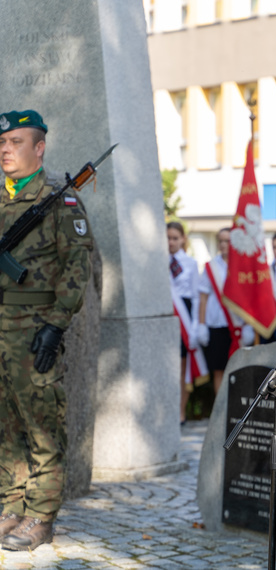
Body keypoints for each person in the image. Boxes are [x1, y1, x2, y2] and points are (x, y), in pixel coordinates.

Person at [0, 110, 93, 550]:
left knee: (41, 424)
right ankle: (11, 505)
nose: (5, 149)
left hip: (34, 327)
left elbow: (77, 270)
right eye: (2, 142)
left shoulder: (60, 200)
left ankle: (41, 515)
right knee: (5, 424)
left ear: (39, 148)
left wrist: (55, 326)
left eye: (16, 141)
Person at [196, 228, 253, 395]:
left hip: (239, 326)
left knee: (239, 369)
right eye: (220, 241)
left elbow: (250, 298)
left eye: (227, 241)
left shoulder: (244, 266)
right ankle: (220, 413)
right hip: (216, 324)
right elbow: (203, 298)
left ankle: (238, 412)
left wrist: (249, 325)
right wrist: (201, 325)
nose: (223, 244)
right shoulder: (210, 267)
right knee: (219, 369)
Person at [167, 221, 200, 423]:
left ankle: (180, 413)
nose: (170, 242)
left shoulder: (191, 263)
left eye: (174, 238)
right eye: (167, 238)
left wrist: (196, 325)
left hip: (185, 316)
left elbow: (196, 296)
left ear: (183, 239)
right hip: (165, 313)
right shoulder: (157, 261)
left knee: (181, 367)